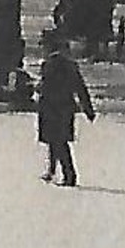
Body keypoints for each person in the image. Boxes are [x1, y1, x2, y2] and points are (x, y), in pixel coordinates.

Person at [37, 34, 96, 186]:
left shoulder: (48, 65)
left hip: (51, 108)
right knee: (57, 140)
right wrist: (88, 109)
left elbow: (46, 87)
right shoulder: (70, 66)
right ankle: (52, 170)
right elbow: (80, 88)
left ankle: (69, 175)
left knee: (57, 142)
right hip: (65, 107)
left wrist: (37, 88)